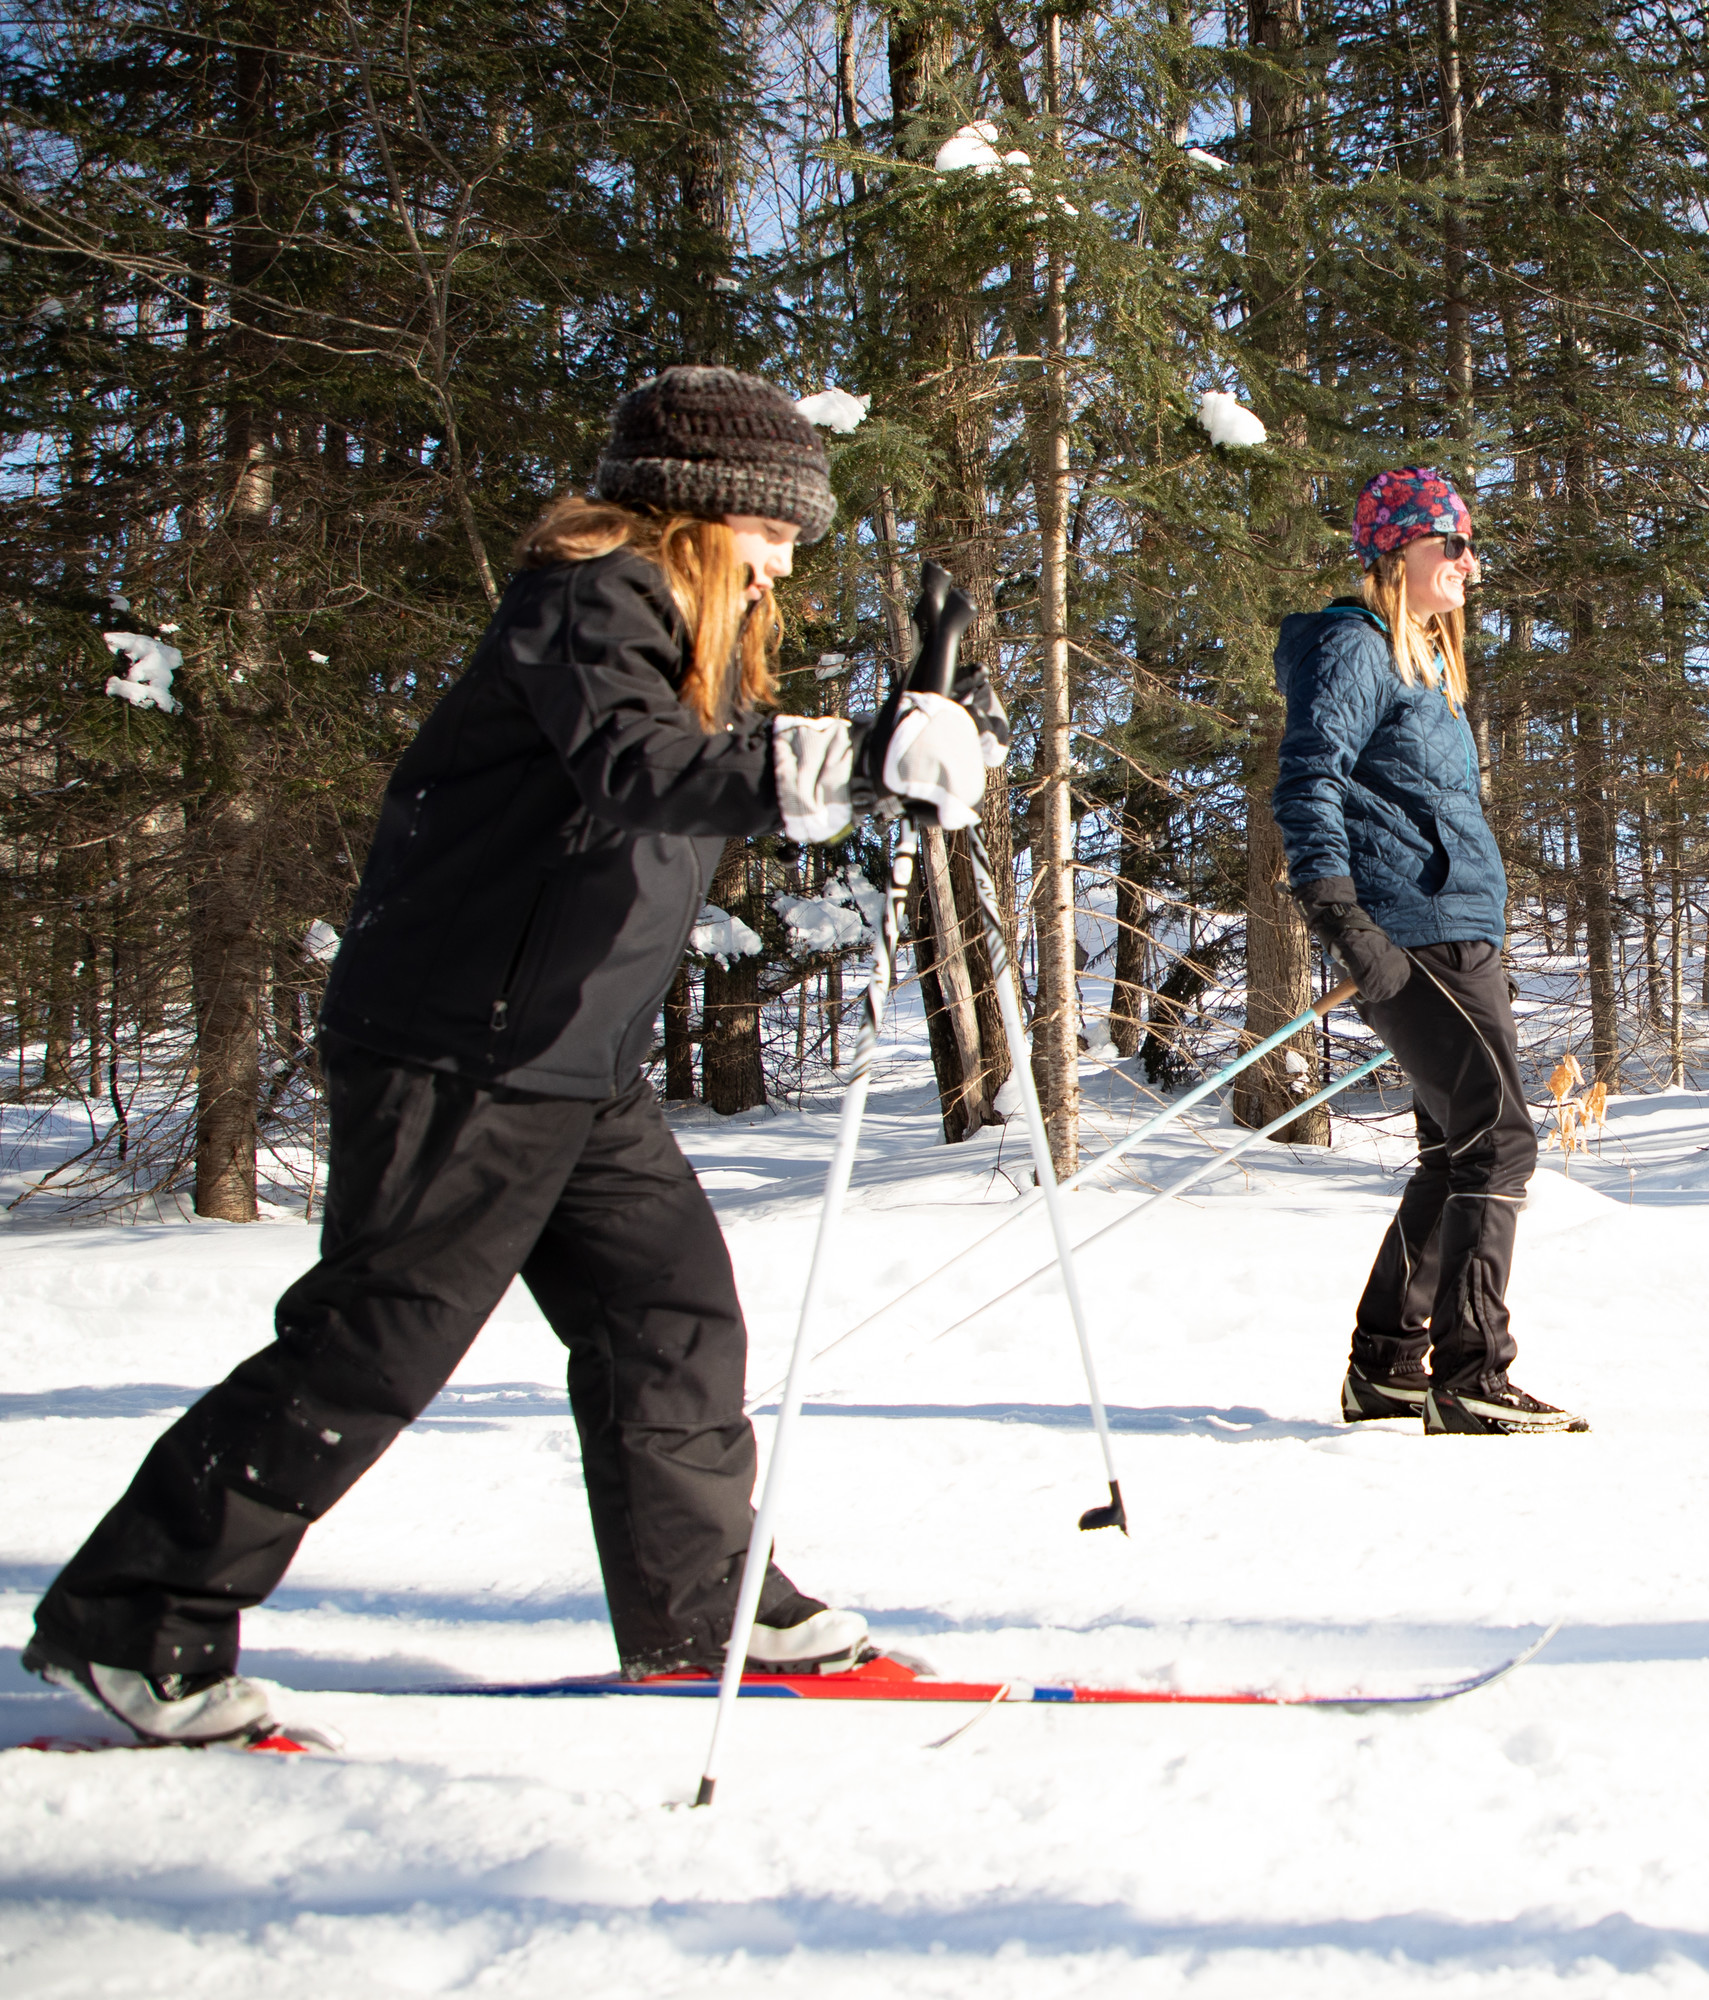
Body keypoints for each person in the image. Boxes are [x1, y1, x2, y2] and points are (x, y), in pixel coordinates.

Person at [24, 364, 999, 1743]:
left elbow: (691, 769)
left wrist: (891, 745)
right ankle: (135, 1617)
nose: (787, 564)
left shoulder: (671, 624)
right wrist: (834, 764)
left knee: (668, 1315)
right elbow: (637, 767)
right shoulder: (591, 598)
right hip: (465, 1049)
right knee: (375, 1345)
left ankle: (700, 1608)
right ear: (706, 515)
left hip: (569, 1052)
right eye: (775, 533)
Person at [1271, 465, 1586, 1437]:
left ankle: (1386, 1366)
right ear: (1394, 553)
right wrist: (1337, 913)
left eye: (1464, 543)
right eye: (1446, 543)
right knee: (1498, 1137)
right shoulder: (1353, 645)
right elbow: (1307, 774)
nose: (1465, 561)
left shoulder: (1424, 669)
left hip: (1456, 924)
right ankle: (1470, 1373)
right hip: (1411, 932)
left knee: (1455, 1150)